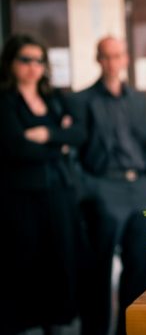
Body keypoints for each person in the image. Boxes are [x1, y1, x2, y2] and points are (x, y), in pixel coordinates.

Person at [0, 34, 84, 334]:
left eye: (38, 60)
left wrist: (46, 135)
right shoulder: (5, 101)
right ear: (11, 63)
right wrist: (58, 140)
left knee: (60, 260)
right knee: (26, 262)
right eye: (26, 59)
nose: (33, 66)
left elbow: (78, 134)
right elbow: (15, 147)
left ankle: (56, 323)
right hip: (21, 196)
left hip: (58, 191)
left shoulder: (53, 98)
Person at [74, 36, 146, 335]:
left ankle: (129, 331)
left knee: (138, 273)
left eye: (118, 55)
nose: (113, 62)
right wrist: (89, 188)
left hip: (138, 190)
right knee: (97, 272)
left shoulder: (138, 99)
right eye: (107, 56)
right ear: (99, 60)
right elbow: (74, 151)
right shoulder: (81, 99)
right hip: (102, 188)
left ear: (126, 59)